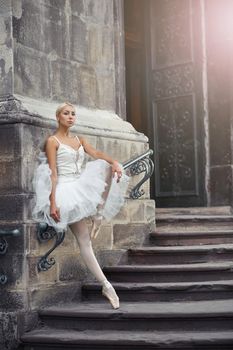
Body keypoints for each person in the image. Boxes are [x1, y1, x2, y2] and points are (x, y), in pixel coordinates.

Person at [32, 102, 129, 309]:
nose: (70, 117)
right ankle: (106, 285)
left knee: (106, 167)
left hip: (80, 183)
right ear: (58, 117)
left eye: (73, 114)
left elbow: (97, 154)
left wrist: (115, 162)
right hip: (66, 190)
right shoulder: (53, 141)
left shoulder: (79, 139)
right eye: (66, 114)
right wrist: (53, 203)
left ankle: (99, 216)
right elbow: (53, 173)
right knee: (84, 241)